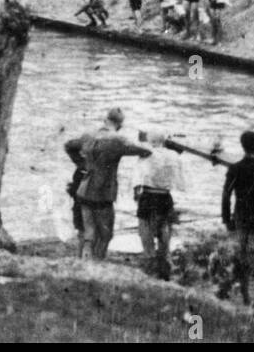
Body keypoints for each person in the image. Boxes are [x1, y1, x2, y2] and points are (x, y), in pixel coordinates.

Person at [64, 108, 151, 260]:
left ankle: (85, 262)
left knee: (88, 230)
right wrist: (145, 141)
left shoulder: (88, 135)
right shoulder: (118, 140)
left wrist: (82, 164)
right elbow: (145, 151)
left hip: (84, 189)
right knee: (106, 234)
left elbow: (69, 146)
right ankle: (97, 262)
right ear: (120, 125)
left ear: (106, 120)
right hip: (104, 191)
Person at [220, 130, 254, 304]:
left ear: (242, 146)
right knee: (252, 254)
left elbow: (226, 195)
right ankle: (245, 289)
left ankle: (240, 290)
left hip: (241, 216)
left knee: (240, 252)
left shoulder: (235, 168)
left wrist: (226, 218)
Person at [133, 132, 184, 280]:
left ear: (151, 141)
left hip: (148, 196)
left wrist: (136, 193)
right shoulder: (173, 155)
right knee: (164, 232)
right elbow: (180, 180)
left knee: (145, 231)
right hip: (165, 196)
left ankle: (150, 265)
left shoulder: (146, 153)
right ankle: (164, 268)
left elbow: (137, 178)